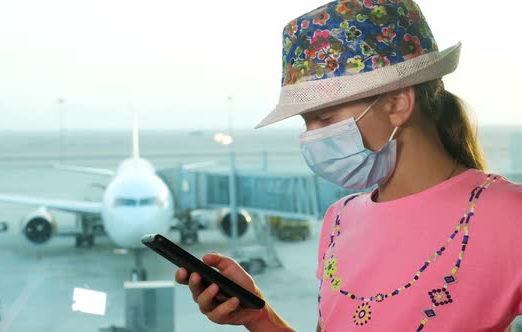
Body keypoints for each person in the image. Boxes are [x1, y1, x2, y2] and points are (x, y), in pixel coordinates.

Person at [175, 0, 522, 330]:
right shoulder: (338, 220)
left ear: (399, 102)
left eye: (325, 118)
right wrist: (258, 316)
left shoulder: (509, 215)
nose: (311, 138)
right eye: (306, 123)